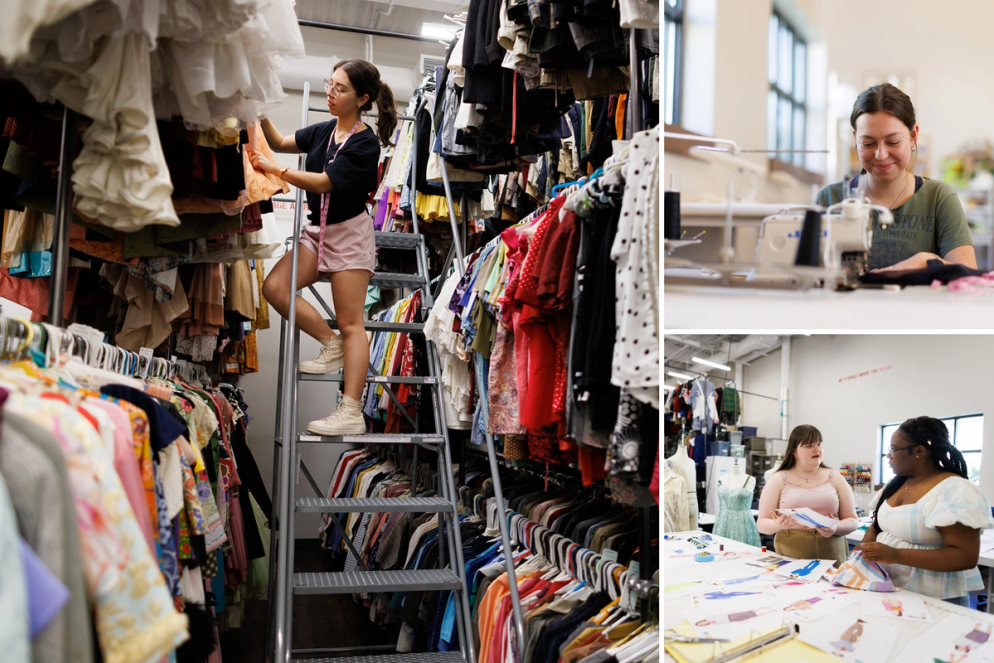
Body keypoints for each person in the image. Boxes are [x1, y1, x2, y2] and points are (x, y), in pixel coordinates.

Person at [250, 59, 398, 436]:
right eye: (329, 85)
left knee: (352, 323)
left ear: (362, 98)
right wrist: (260, 112)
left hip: (348, 234)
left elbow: (322, 183)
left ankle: (350, 409)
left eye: (340, 89)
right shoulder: (325, 131)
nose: (330, 94)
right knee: (275, 287)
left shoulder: (365, 142)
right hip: (317, 232)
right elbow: (283, 142)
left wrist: (276, 170)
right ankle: (327, 342)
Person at [815, 83, 976, 273]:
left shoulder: (939, 198)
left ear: (913, 136)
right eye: (867, 143)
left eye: (893, 142)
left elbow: (968, 277)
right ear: (854, 139)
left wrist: (926, 261)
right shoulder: (830, 199)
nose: (881, 155)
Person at [856, 416, 994, 606]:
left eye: (894, 449)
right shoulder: (895, 484)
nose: (889, 455)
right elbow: (877, 527)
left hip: (935, 597)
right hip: (886, 588)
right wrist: (862, 549)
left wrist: (896, 555)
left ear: (919, 451)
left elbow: (965, 556)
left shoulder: (955, 490)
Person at [757, 424, 859, 567]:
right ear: (794, 451)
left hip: (832, 551)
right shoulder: (778, 479)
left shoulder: (835, 477)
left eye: (819, 444)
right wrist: (776, 524)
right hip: (791, 551)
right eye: (809, 445)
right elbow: (761, 523)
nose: (817, 449)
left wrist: (835, 528)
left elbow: (853, 520)